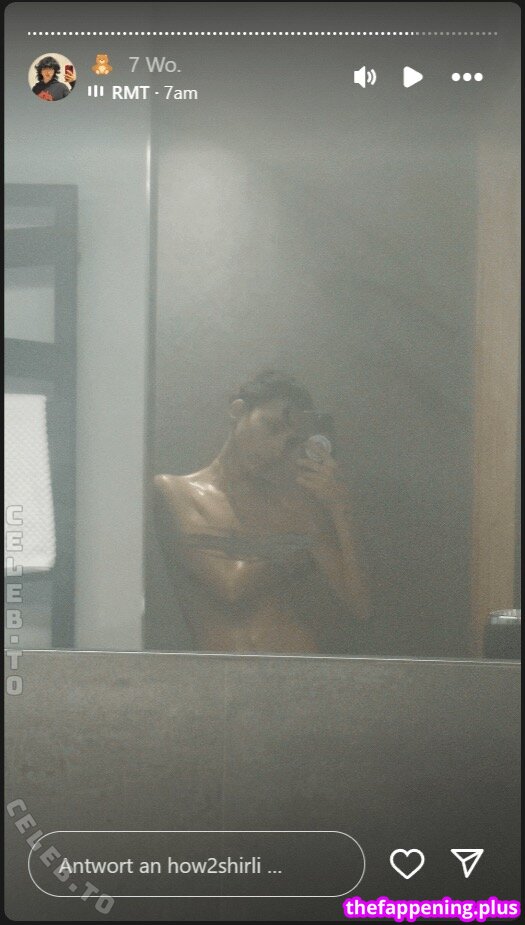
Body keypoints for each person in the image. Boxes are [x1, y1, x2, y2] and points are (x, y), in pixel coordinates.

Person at [153, 369, 370, 654]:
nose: (276, 449)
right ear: (238, 411)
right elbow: (230, 587)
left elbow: (361, 606)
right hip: (220, 671)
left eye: (290, 442)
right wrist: (298, 543)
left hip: (298, 665)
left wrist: (340, 508)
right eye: (272, 427)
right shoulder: (173, 490)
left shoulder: (293, 506)